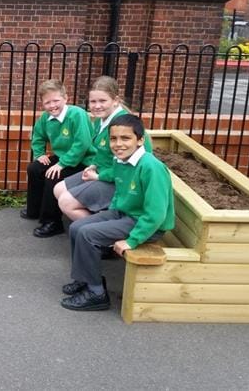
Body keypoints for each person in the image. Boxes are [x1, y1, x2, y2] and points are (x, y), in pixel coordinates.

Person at [60, 114, 174, 311]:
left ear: (140, 140)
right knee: (78, 227)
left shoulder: (151, 167)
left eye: (125, 138)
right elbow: (117, 186)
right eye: (113, 139)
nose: (118, 144)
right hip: (124, 214)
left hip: (144, 224)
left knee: (88, 234)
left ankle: (96, 294)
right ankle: (85, 278)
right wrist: (109, 212)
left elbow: (156, 214)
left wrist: (132, 240)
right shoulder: (121, 161)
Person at [54, 76, 151, 221]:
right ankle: (95, 220)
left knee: (66, 202)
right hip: (103, 172)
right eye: (93, 101)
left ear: (116, 101)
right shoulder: (101, 120)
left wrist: (98, 177)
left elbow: (131, 168)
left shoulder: (123, 126)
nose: (97, 106)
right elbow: (104, 153)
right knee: (59, 189)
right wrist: (94, 165)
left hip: (121, 183)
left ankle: (100, 232)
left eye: (102, 101)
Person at [20, 79, 96, 238]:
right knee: (34, 168)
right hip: (64, 158)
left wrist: (62, 164)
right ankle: (35, 209)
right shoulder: (45, 118)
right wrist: (40, 154)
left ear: (66, 98)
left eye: (56, 100)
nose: (52, 105)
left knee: (53, 175)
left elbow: (82, 144)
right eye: (47, 102)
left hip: (84, 161)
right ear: (42, 104)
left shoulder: (77, 114)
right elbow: (38, 136)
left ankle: (52, 222)